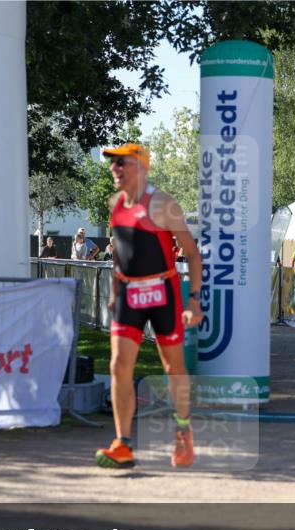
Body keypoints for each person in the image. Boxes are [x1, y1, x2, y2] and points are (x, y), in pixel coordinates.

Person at [94, 143, 202, 470]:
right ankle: (123, 444)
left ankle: (183, 431)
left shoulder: (164, 204)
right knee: (118, 366)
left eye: (121, 163)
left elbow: (193, 254)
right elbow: (120, 254)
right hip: (129, 293)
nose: (115, 169)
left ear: (141, 167)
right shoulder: (115, 204)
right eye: (112, 164)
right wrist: (115, 290)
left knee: (173, 368)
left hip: (163, 290)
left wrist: (194, 300)